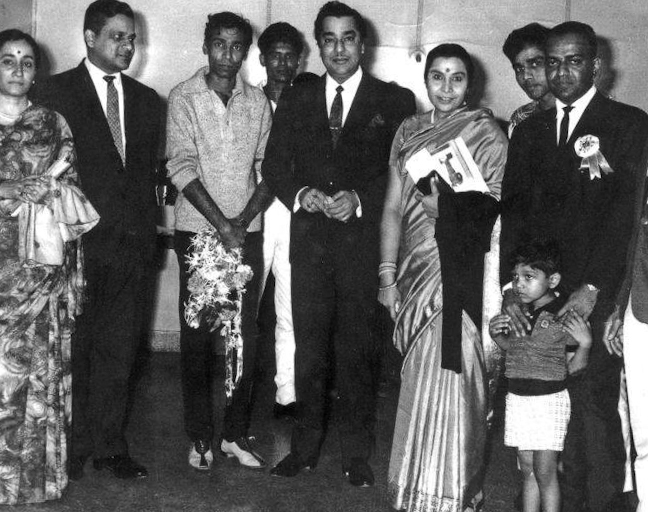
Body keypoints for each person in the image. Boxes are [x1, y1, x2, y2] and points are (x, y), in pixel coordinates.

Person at [262, 1, 415, 487]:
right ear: (319, 46)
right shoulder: (297, 98)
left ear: (362, 43)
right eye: (328, 39)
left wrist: (359, 200)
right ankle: (304, 449)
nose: (338, 48)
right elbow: (275, 167)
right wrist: (301, 194)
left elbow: (399, 176)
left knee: (356, 354)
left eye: (347, 38)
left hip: (360, 249)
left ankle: (356, 454)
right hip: (309, 247)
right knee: (309, 353)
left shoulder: (394, 101)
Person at [500, 21, 648, 512]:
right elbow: (514, 215)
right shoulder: (529, 130)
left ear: (597, 67)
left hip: (594, 294)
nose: (562, 72)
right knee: (544, 423)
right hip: (537, 300)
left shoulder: (628, 124)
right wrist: (510, 290)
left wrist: (594, 290)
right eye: (554, 61)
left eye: (574, 60)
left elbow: (624, 219)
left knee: (592, 411)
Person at [35, 0, 161, 480]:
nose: (128, 46)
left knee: (120, 351)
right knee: (75, 351)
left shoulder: (149, 100)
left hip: (132, 249)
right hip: (77, 249)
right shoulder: (54, 93)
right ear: (90, 38)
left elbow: (146, 176)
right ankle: (72, 448)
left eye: (132, 38)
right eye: (117, 37)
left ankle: (112, 447)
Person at [379, 43, 507, 510]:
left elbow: (499, 211)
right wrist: (387, 276)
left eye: (456, 77)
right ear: (426, 79)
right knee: (417, 382)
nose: (446, 87)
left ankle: (454, 492)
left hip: (462, 277)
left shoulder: (487, 133)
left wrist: (447, 209)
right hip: (414, 276)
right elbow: (392, 209)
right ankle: (415, 489)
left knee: (460, 381)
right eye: (437, 76)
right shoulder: (407, 130)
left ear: (470, 83)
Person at [166, 11, 272, 472]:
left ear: (245, 52)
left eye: (236, 47)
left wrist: (243, 221)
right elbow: (181, 167)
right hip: (197, 234)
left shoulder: (259, 103)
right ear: (206, 45)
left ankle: (233, 434)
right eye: (219, 44)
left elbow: (271, 170)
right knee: (196, 338)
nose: (227, 55)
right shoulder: (183, 97)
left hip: (245, 235)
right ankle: (200, 437)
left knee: (243, 339)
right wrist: (221, 226)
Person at [0, 29, 99, 503]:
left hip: (39, 269)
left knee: (37, 371)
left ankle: (33, 481)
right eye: (7, 61)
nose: (18, 69)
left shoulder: (52, 123)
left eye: (26, 61)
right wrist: (11, 190)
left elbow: (74, 188)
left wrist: (51, 190)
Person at [490, 240, 592, 512]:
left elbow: (575, 367)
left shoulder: (564, 314)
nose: (518, 284)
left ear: (553, 279)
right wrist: (496, 335)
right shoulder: (519, 311)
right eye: (515, 278)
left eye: (528, 277)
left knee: (545, 470)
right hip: (519, 399)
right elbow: (516, 350)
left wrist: (585, 344)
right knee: (527, 469)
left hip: (548, 402)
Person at [257, 22, 304, 420]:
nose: (284, 63)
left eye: (291, 55)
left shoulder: (309, 102)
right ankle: (238, 390)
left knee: (290, 309)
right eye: (276, 55)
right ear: (262, 59)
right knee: (245, 307)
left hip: (293, 215)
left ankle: (286, 393)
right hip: (255, 215)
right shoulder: (249, 103)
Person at [603, 143, 648, 512]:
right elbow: (631, 234)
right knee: (644, 426)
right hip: (640, 302)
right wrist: (619, 305)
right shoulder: (642, 150)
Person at [502, 23, 555, 136]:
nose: (526, 76)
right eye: (519, 68)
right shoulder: (520, 118)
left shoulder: (581, 112)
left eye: (535, 64)